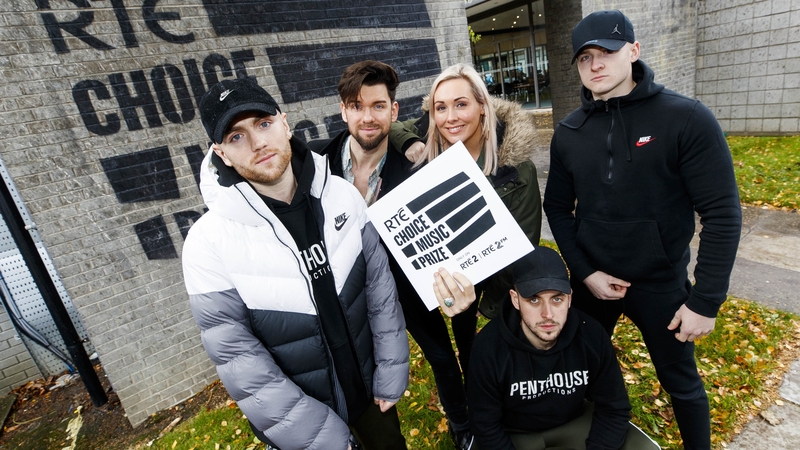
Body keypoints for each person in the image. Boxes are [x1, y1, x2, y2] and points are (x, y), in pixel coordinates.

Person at [543, 10, 742, 450]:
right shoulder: (570, 133)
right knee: (581, 373)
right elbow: (556, 207)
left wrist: (705, 302)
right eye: (584, 57)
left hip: (661, 286)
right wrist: (585, 272)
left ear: (633, 51)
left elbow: (723, 214)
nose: (595, 65)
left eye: (607, 52)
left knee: (682, 383)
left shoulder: (686, 119)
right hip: (593, 283)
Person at [182, 77, 409, 450]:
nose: (257, 143)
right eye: (236, 137)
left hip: (372, 396)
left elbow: (379, 289)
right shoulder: (208, 244)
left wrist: (390, 370)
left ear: (285, 123)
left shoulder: (341, 195)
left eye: (263, 124)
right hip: (304, 424)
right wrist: (314, 432)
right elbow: (239, 358)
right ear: (221, 154)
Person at [310, 60, 476, 450]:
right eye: (356, 106)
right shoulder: (318, 165)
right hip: (346, 291)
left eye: (378, 106)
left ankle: (462, 423)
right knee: (348, 362)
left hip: (407, 284)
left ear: (394, 110)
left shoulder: (419, 168)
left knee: (440, 355)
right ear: (343, 110)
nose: (367, 117)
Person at [391, 62, 542, 379]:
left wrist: (490, 306)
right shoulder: (428, 137)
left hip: (493, 274)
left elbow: (524, 242)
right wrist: (409, 142)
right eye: (440, 108)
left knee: (486, 343)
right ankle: (468, 364)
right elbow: (390, 126)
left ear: (482, 107)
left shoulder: (517, 166)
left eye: (461, 104)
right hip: (447, 265)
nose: (450, 117)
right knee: (462, 328)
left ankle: (480, 370)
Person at [467, 246, 660, 450]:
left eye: (557, 299)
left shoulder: (591, 335)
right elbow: (485, 425)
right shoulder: (489, 346)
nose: (547, 314)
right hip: (514, 433)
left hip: (575, 424)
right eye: (534, 300)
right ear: (515, 300)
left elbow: (614, 409)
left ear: (569, 298)